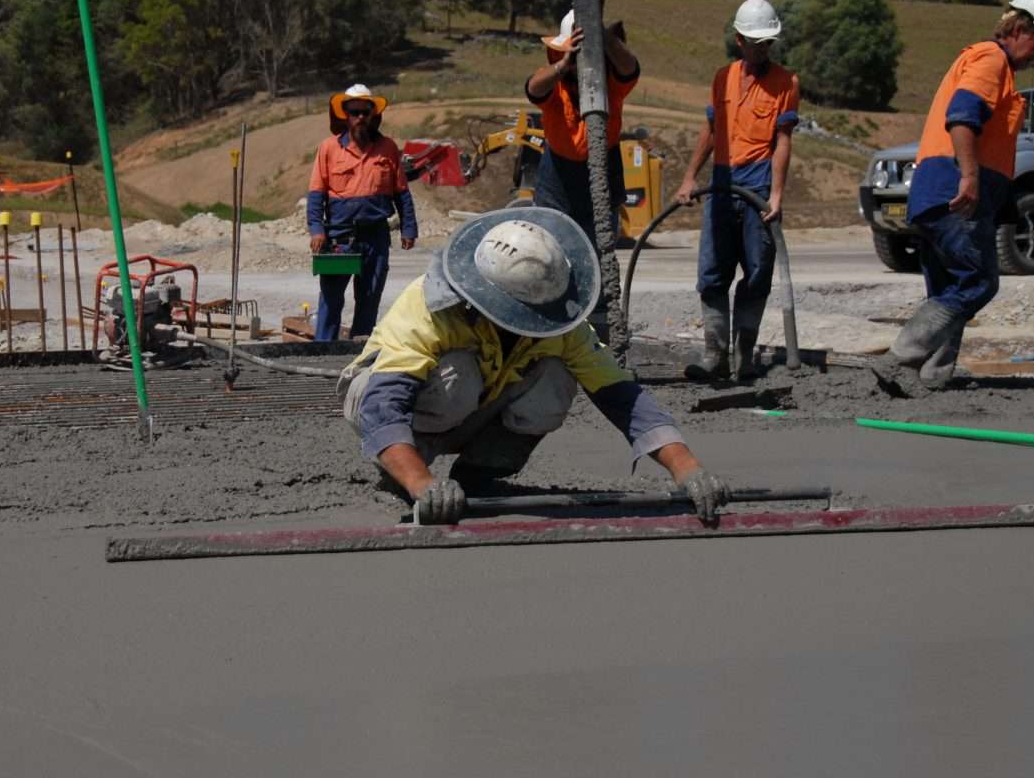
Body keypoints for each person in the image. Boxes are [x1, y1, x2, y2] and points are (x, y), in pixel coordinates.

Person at [338, 206, 730, 525]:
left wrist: (687, 469)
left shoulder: (557, 320)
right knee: (458, 374)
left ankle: (478, 475)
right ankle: (401, 472)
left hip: (473, 403)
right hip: (377, 399)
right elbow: (383, 406)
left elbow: (622, 396)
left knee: (555, 379)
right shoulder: (430, 307)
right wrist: (423, 485)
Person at [883, 0, 1034, 387]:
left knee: (948, 290)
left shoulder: (993, 65)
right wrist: (969, 177)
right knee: (979, 281)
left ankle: (932, 378)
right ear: (1019, 28)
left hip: (940, 191)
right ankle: (901, 356)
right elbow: (962, 117)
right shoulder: (991, 60)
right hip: (955, 192)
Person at [672, 0, 800, 381]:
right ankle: (715, 355)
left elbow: (783, 141)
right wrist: (690, 177)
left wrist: (776, 195)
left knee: (758, 270)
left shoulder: (786, 82)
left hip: (759, 180)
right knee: (712, 271)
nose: (762, 49)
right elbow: (712, 131)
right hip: (723, 180)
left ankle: (745, 356)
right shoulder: (722, 77)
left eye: (767, 43)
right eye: (756, 43)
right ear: (739, 40)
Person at [525, 8, 640, 340]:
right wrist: (564, 64)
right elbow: (533, 88)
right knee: (552, 260)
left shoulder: (610, 84)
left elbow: (630, 68)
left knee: (598, 261)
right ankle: (555, 335)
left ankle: (600, 338)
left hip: (602, 173)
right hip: (558, 179)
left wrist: (603, 38)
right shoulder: (556, 87)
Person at [307, 84, 417, 341]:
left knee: (369, 299)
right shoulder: (329, 148)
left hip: (376, 237)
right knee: (331, 300)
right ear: (345, 115)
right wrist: (317, 229)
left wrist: (409, 228)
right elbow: (316, 194)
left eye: (364, 112)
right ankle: (323, 351)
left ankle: (360, 353)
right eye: (354, 112)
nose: (359, 117)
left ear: (372, 115)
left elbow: (402, 192)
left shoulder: (388, 148)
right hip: (339, 237)